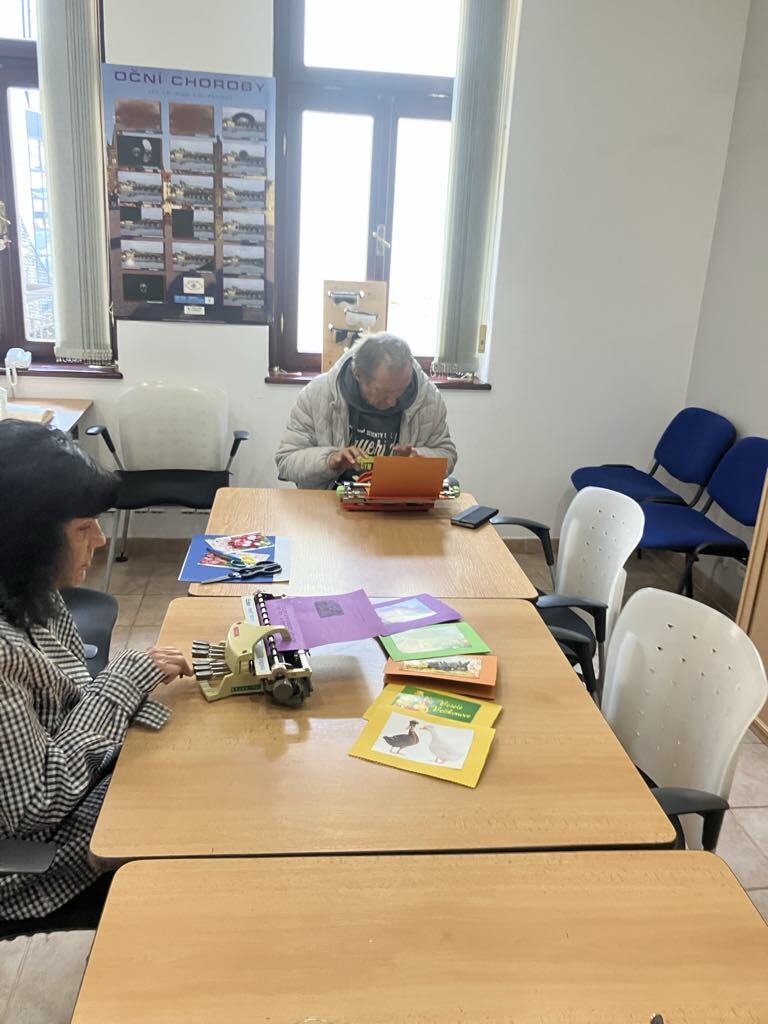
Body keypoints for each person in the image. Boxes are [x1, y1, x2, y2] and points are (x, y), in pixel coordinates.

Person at [0, 421, 191, 934]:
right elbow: (37, 804)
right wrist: (122, 684)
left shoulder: (31, 588)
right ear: (26, 537)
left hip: (63, 791)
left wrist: (122, 693)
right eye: (84, 528)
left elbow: (73, 698)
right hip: (28, 860)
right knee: (201, 820)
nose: (102, 541)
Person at [275, 333, 457, 489]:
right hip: (331, 502)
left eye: (401, 390)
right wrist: (330, 460)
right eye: (384, 393)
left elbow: (447, 454)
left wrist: (420, 460)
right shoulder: (318, 394)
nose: (393, 402)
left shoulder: (427, 398)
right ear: (357, 374)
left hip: (398, 505)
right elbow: (286, 461)